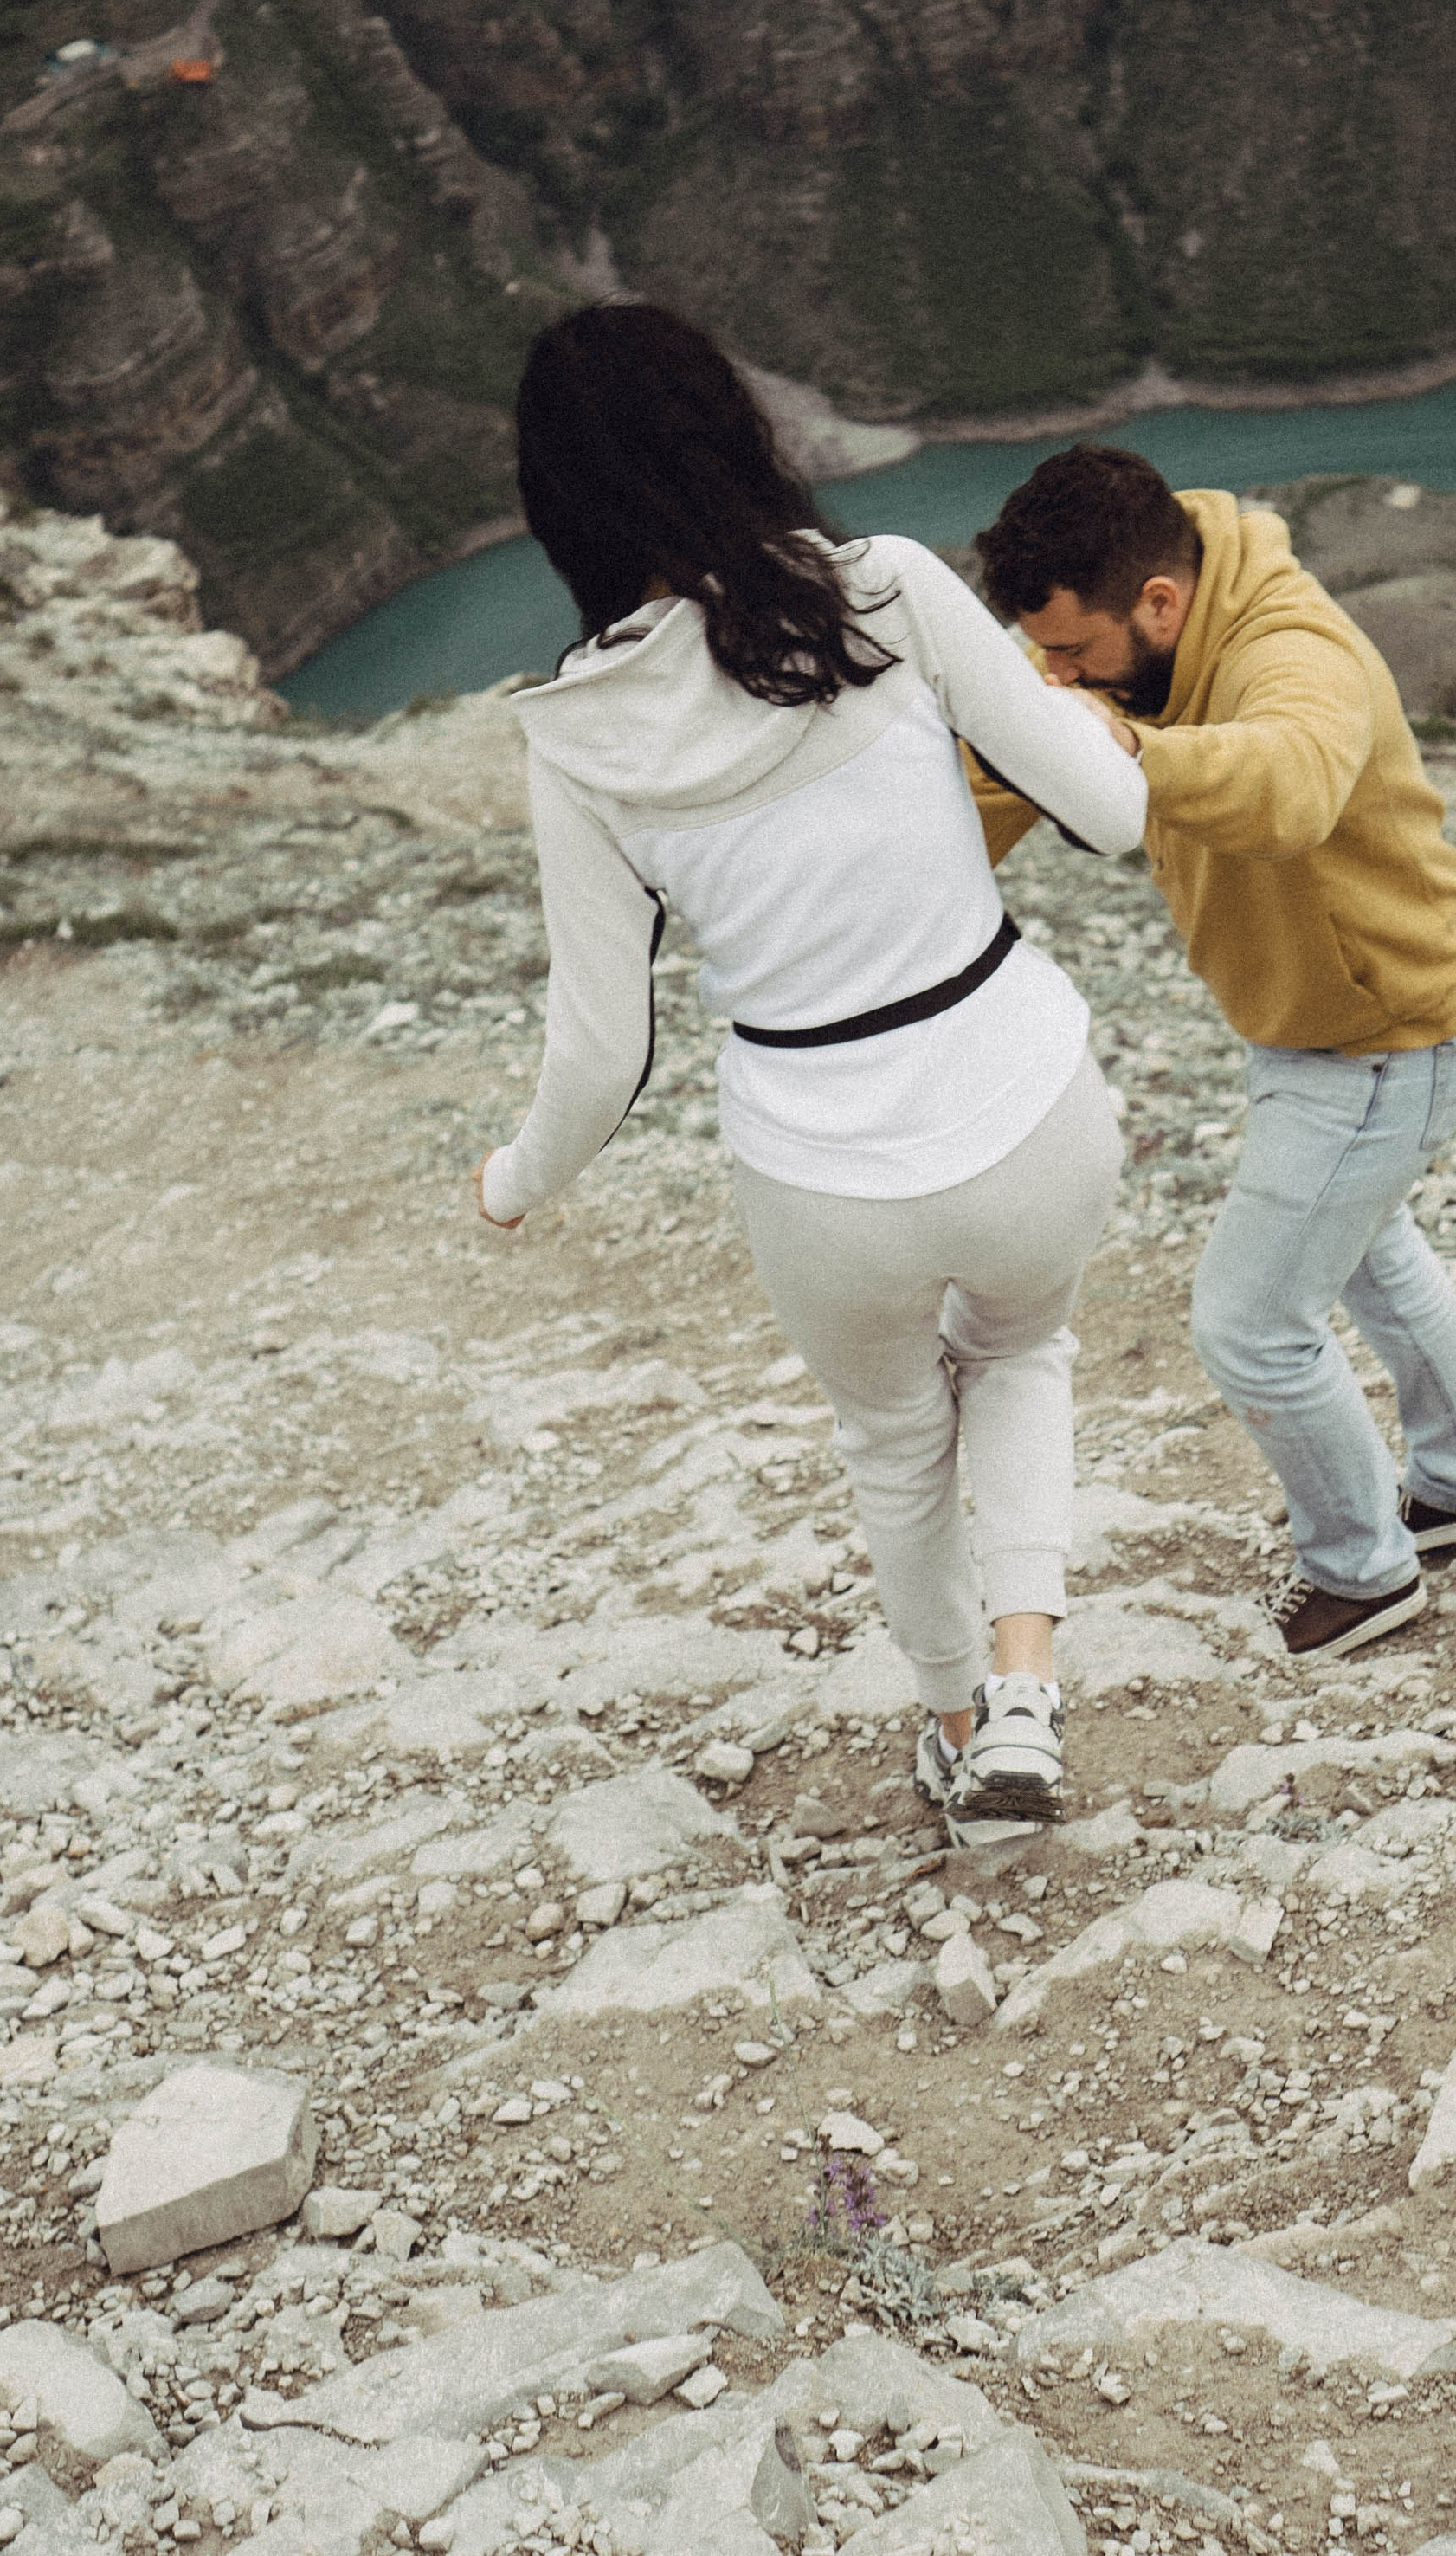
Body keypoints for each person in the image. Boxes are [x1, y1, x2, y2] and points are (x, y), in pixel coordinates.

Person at [474, 309, 1147, 1828]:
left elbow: (605, 1050)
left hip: (819, 1170)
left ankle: (958, 1715)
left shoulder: (573, 734)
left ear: (560, 503)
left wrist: (516, 1182)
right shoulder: (889, 593)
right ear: (737, 433)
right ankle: (1032, 1690)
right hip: (1025, 1097)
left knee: (898, 1442)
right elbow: (1109, 812)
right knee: (1025, 1351)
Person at [970, 441, 1456, 1660]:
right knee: (1366, 1250)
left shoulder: (1293, 650)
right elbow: (1004, 777)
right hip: (1330, 1026)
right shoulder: (1112, 653)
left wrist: (1118, 752)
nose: (1056, 674)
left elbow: (1288, 786)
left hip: (1389, 1032)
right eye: (1044, 653)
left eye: (1072, 652)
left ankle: (1362, 1570)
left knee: (1250, 1321)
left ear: (1159, 605)